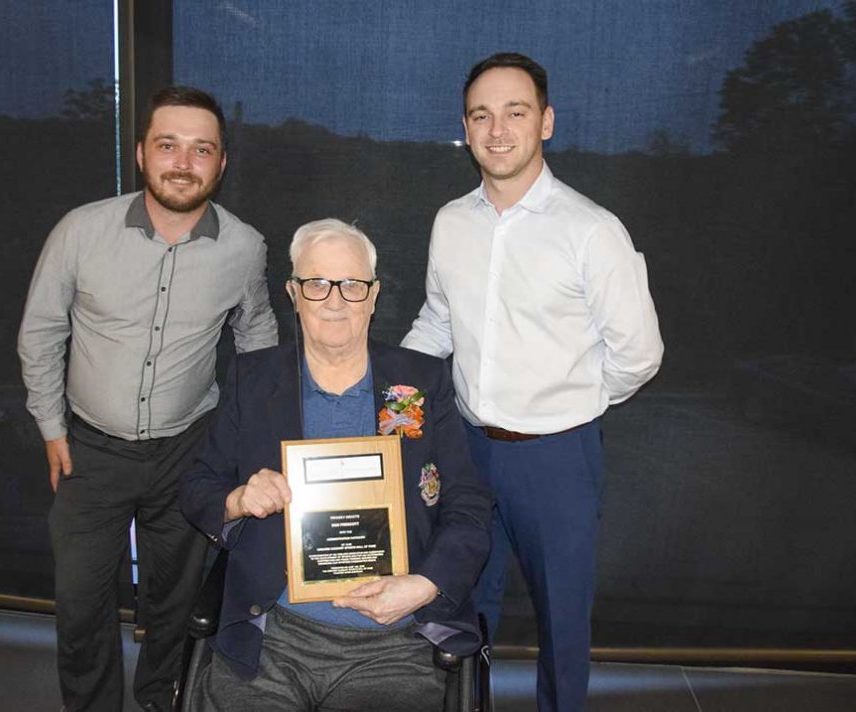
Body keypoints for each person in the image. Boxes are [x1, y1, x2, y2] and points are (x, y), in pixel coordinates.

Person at [402, 53, 664, 711]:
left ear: (545, 122)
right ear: (465, 127)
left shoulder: (592, 231)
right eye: (481, 115)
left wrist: (567, 402)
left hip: (558, 459)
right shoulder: (450, 221)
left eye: (515, 112)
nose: (497, 130)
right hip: (467, 451)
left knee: (563, 622)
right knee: (462, 608)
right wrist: (388, 386)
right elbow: (438, 321)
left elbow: (639, 355)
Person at [17, 86, 278, 712]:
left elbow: (257, 340)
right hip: (88, 453)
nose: (183, 163)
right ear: (141, 153)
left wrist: (249, 441)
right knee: (81, 604)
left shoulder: (244, 247)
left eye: (201, 149)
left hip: (189, 452)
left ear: (221, 163)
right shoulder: (80, 231)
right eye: (168, 145)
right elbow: (41, 332)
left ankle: (162, 695)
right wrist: (51, 427)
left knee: (176, 598)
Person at [179, 219, 492, 711]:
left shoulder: (421, 381)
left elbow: (469, 506)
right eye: (317, 283)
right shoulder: (253, 379)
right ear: (293, 293)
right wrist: (238, 499)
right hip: (274, 638)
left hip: (393, 644)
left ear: (373, 295)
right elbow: (197, 486)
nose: (334, 301)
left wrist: (424, 585)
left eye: (351, 284)